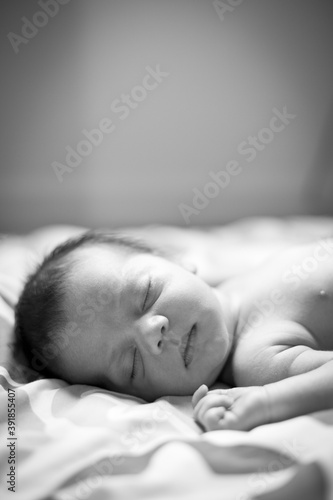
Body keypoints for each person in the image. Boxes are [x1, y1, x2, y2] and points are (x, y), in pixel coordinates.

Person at [15, 230, 333, 431]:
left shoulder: (232, 285)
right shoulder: (258, 359)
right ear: (132, 396)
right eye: (132, 363)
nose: (152, 333)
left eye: (147, 293)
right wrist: (266, 401)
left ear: (176, 261)